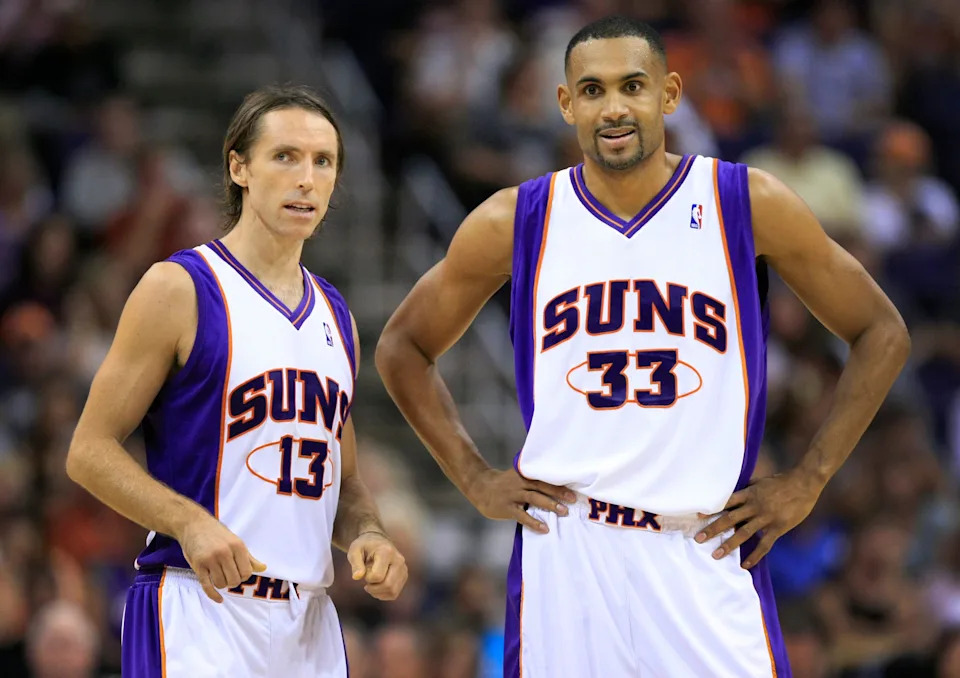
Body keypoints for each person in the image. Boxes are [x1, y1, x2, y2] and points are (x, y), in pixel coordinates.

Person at [376, 16, 910, 677]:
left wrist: (810, 478)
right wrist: (475, 476)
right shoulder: (515, 220)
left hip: (702, 546)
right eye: (593, 90)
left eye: (633, 86)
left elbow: (881, 331)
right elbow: (402, 345)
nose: (615, 108)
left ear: (669, 93)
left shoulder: (744, 202)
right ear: (566, 102)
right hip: (569, 553)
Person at [66, 84, 407, 677]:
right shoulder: (179, 289)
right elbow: (88, 452)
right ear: (239, 167)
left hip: (310, 621)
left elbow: (343, 481)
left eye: (322, 161)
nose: (306, 178)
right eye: (286, 156)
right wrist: (188, 521)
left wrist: (368, 536)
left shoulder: (337, 316)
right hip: (201, 607)